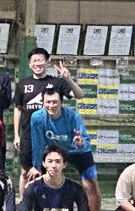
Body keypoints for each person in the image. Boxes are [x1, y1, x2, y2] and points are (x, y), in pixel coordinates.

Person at [13, 47, 83, 197]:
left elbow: (79, 95)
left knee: (51, 171)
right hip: (28, 135)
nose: (37, 64)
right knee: (26, 171)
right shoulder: (23, 84)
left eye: (40, 60)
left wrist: (68, 79)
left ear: (47, 62)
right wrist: (16, 135)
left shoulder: (57, 82)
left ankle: (49, 203)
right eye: (34, 61)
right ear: (30, 64)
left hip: (52, 135)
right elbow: (18, 110)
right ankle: (24, 204)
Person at [29, 86, 102, 211]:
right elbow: (38, 143)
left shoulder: (73, 116)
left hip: (78, 151)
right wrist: (36, 166)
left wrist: (80, 143)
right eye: (48, 102)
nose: (51, 105)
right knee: (36, 179)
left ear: (61, 102)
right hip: (56, 152)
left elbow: (86, 142)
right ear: (43, 102)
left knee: (90, 183)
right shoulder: (37, 117)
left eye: (55, 102)